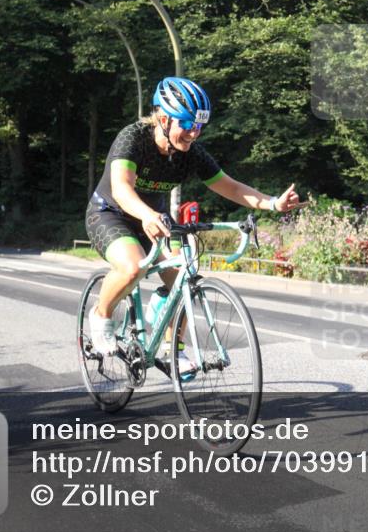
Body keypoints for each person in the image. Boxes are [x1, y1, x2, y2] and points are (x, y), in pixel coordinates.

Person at [85, 76, 304, 369]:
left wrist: (273, 203)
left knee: (184, 275)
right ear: (163, 118)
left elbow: (232, 187)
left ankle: (173, 348)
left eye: (199, 127)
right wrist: (147, 215)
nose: (194, 134)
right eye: (187, 125)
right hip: (111, 213)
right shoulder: (133, 138)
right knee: (133, 266)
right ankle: (101, 315)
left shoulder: (191, 154)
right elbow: (122, 188)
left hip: (156, 219)